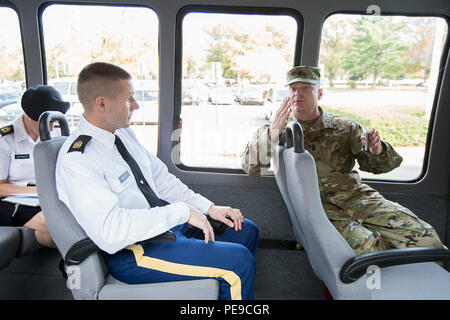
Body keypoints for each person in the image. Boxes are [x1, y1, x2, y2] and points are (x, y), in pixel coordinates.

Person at [55, 62, 259, 300]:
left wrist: (208, 208)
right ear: (102, 104)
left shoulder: (122, 133)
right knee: (238, 264)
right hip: (135, 251)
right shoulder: (79, 160)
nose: (136, 106)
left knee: (244, 230)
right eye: (129, 99)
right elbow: (110, 231)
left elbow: (162, 181)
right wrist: (182, 212)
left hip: (164, 228)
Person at [241, 65, 445, 255]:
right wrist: (271, 134)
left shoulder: (345, 128)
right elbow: (250, 166)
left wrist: (377, 150)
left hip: (356, 197)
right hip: (318, 207)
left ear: (319, 94)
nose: (297, 94)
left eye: (305, 88)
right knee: (368, 249)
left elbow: (378, 166)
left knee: (427, 239)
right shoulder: (278, 131)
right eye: (293, 89)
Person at [0, 85, 70, 248]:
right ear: (30, 116)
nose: (51, 128)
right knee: (50, 223)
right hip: (13, 200)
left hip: (51, 196)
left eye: (54, 122)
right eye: (46, 122)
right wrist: (41, 192)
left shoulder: (59, 131)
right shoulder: (5, 139)